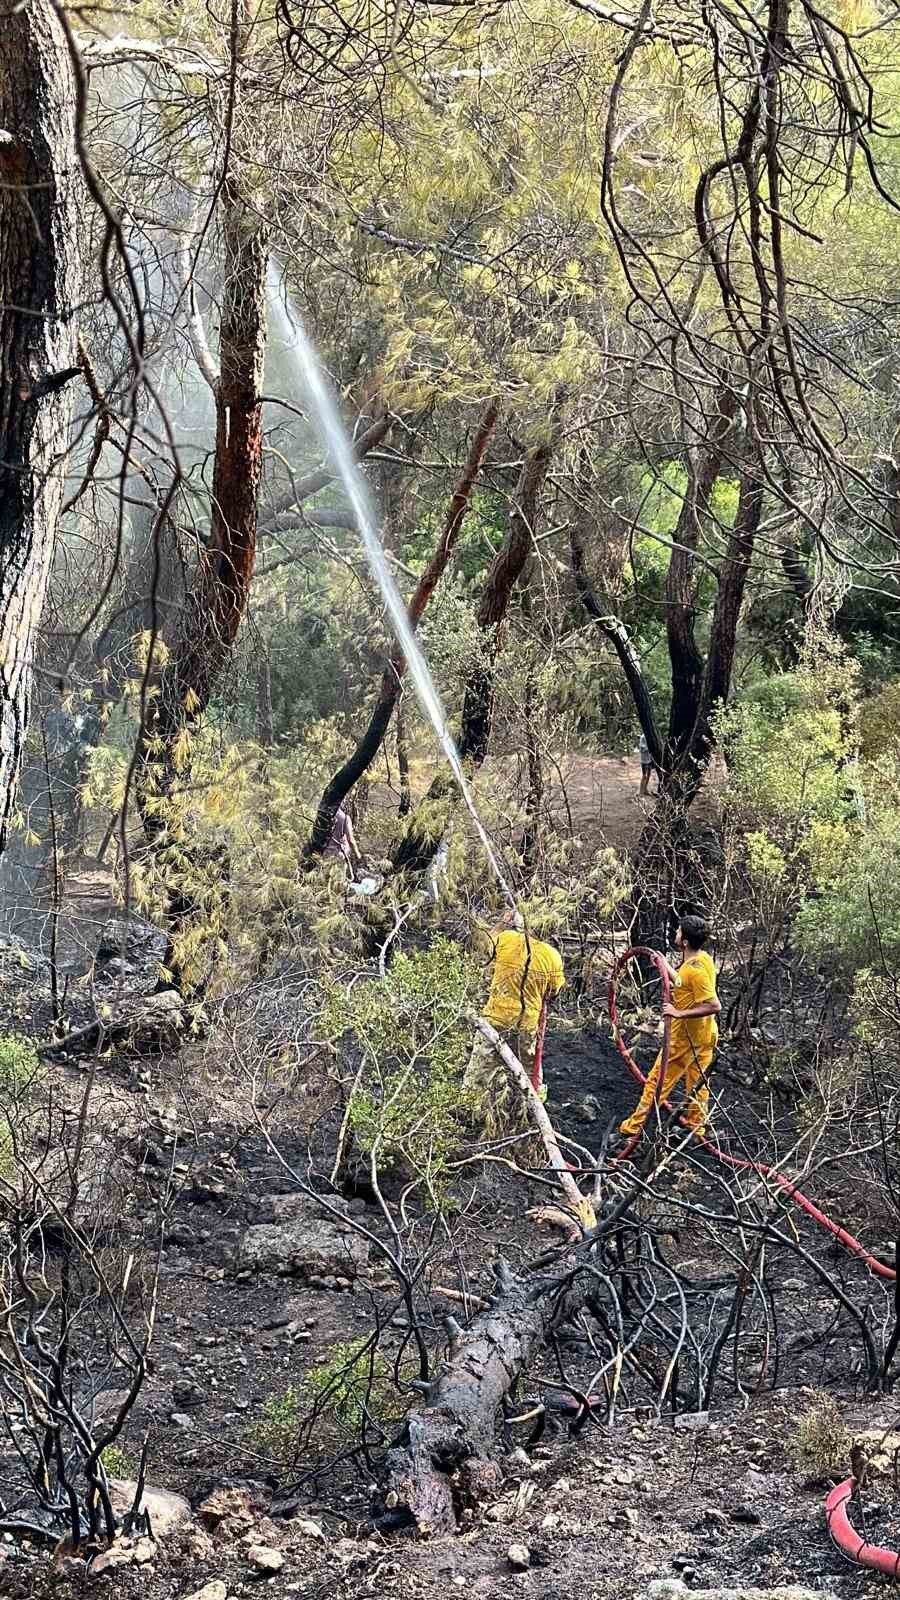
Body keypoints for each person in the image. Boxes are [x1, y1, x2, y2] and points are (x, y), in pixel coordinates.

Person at [618, 914, 720, 1140]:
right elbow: (685, 984)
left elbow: (714, 1004)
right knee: (698, 1083)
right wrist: (665, 966)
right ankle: (696, 1127)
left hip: (684, 1039)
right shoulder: (702, 959)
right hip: (705, 1035)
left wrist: (678, 1012)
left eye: (679, 931)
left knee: (657, 1082)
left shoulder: (695, 969)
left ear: (684, 941)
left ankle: (633, 1129)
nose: (676, 933)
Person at [463, 909, 565, 1132]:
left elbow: (486, 946)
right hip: (527, 1025)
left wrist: (501, 922)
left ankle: (469, 1113)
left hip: (495, 1020)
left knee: (479, 1071)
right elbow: (554, 991)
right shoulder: (552, 957)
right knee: (528, 1073)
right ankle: (529, 1115)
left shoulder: (506, 939)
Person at [324, 805, 361, 876]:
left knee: (324, 879)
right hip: (338, 855)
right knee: (338, 881)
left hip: (325, 852)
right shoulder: (345, 818)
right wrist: (358, 854)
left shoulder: (325, 814)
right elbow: (351, 840)